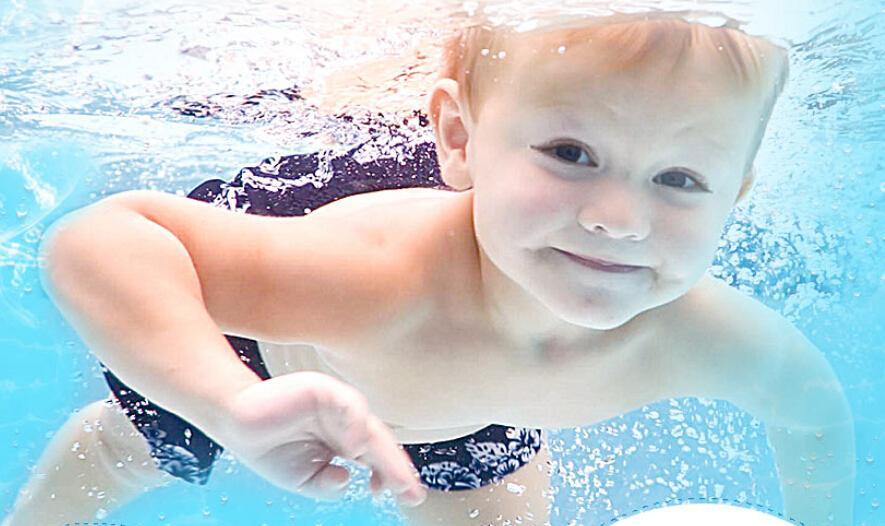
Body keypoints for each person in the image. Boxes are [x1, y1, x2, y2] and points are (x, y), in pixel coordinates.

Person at [6, 13, 856, 526]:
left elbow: (815, 418)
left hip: (468, 414)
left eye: (679, 180)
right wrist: (226, 401)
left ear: (734, 195)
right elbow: (102, 239)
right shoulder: (371, 280)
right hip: (267, 359)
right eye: (570, 153)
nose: (618, 219)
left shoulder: (712, 338)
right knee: (136, 447)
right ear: (456, 138)